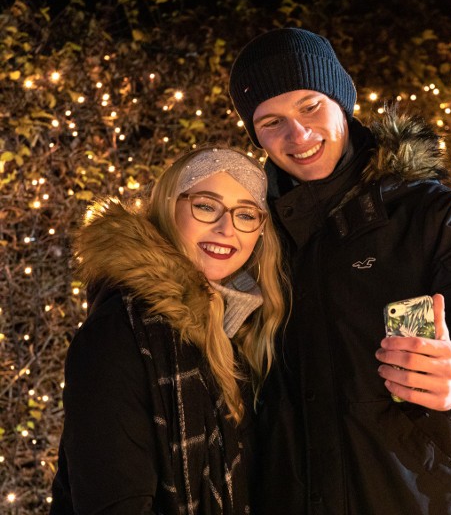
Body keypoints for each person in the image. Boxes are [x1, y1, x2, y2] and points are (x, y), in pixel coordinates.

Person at [228, 27, 451, 514]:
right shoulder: (250, 233)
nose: (298, 136)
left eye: (310, 106)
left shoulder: (430, 213)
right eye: (272, 121)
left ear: (343, 101)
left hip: (418, 499)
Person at [50, 146, 288, 514]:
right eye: (206, 206)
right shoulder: (120, 332)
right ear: (167, 206)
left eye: (245, 214)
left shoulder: (240, 331)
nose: (227, 228)